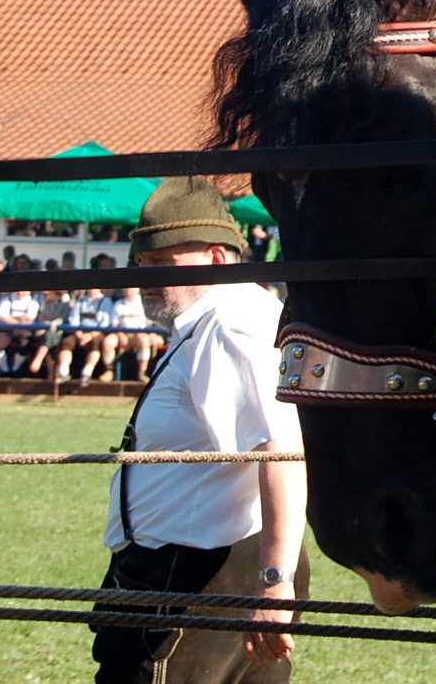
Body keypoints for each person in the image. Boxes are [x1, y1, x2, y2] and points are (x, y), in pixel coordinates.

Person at [92, 176, 307, 684]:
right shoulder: (216, 317)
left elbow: (280, 450)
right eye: (141, 264)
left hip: (196, 577)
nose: (146, 278)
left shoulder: (229, 324)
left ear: (216, 258)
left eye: (163, 264)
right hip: (189, 570)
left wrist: (274, 582)